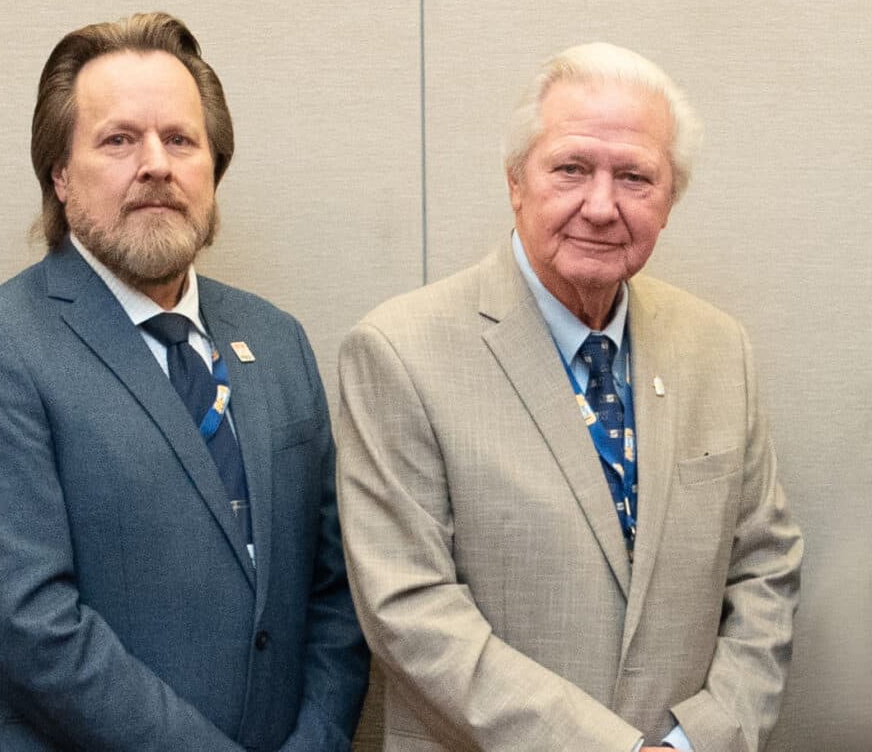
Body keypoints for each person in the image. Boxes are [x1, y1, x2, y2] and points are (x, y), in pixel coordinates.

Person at [0, 12, 367, 751]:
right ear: (60, 174)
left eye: (180, 140)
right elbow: (28, 630)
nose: (156, 164)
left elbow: (333, 592)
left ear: (212, 169)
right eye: (119, 140)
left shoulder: (278, 340)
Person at [336, 42, 802, 751]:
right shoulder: (400, 352)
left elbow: (765, 567)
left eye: (636, 177)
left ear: (669, 199)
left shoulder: (719, 350)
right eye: (571, 169)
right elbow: (409, 610)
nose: (601, 205)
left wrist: (699, 740)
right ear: (516, 180)